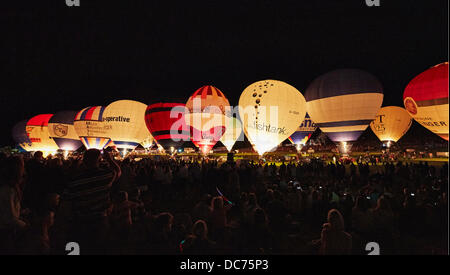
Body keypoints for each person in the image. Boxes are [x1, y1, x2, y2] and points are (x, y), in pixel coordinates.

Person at [62, 148, 121, 254]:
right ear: (100, 160)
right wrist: (110, 159)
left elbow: (66, 203)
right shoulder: (105, 176)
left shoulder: (74, 181)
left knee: (81, 248)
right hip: (100, 219)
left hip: (80, 221)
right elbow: (118, 171)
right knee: (99, 247)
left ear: (83, 160)